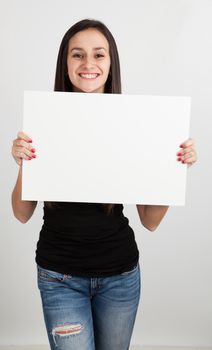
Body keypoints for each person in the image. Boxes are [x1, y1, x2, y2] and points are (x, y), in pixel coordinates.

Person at [11, 19, 197, 350]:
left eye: (99, 55)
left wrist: (173, 169)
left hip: (120, 276)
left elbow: (150, 221)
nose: (88, 64)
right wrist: (25, 164)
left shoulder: (134, 123)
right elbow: (21, 214)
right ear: (65, 63)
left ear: (110, 64)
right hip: (60, 276)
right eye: (77, 55)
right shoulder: (45, 120)